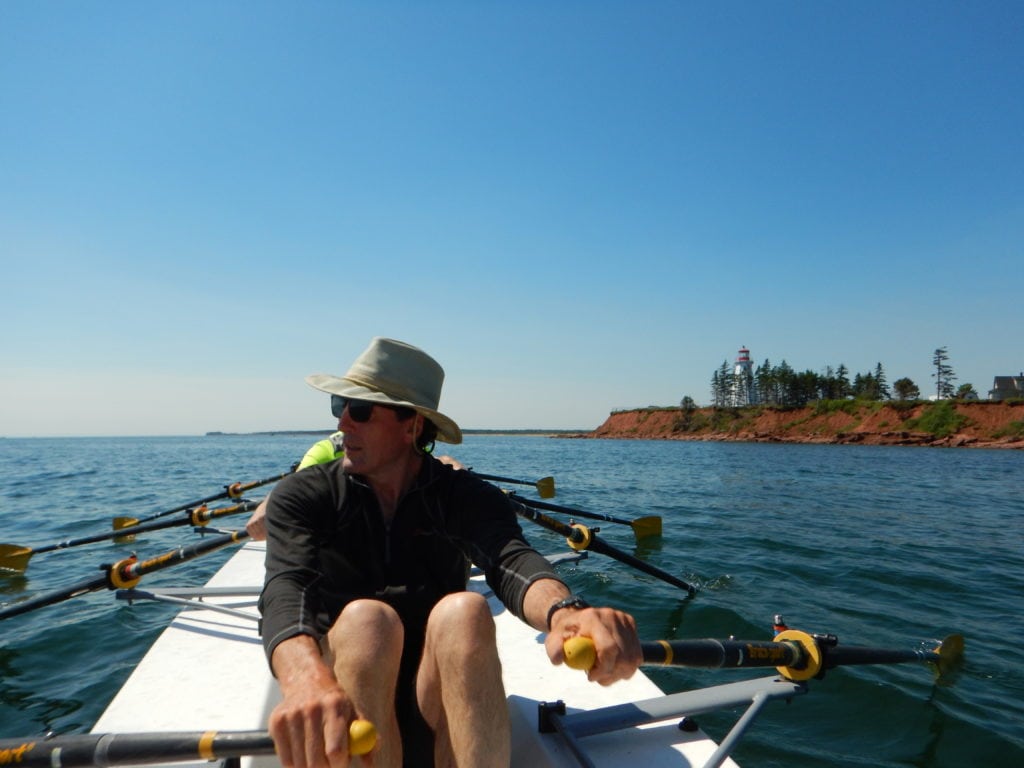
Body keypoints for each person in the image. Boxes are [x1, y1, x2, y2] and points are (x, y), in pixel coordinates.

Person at [258, 337, 641, 768]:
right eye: (339, 405)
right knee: (369, 621)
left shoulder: (461, 497)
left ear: (413, 427)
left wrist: (566, 613)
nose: (343, 423)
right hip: (345, 711)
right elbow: (286, 589)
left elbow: (510, 559)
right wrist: (304, 676)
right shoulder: (303, 495)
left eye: (361, 410)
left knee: (466, 610)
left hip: (440, 705)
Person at [244, 431, 463, 540]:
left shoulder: (404, 447)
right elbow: (294, 486)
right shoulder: (325, 449)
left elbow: (435, 465)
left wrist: (452, 471)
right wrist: (267, 506)